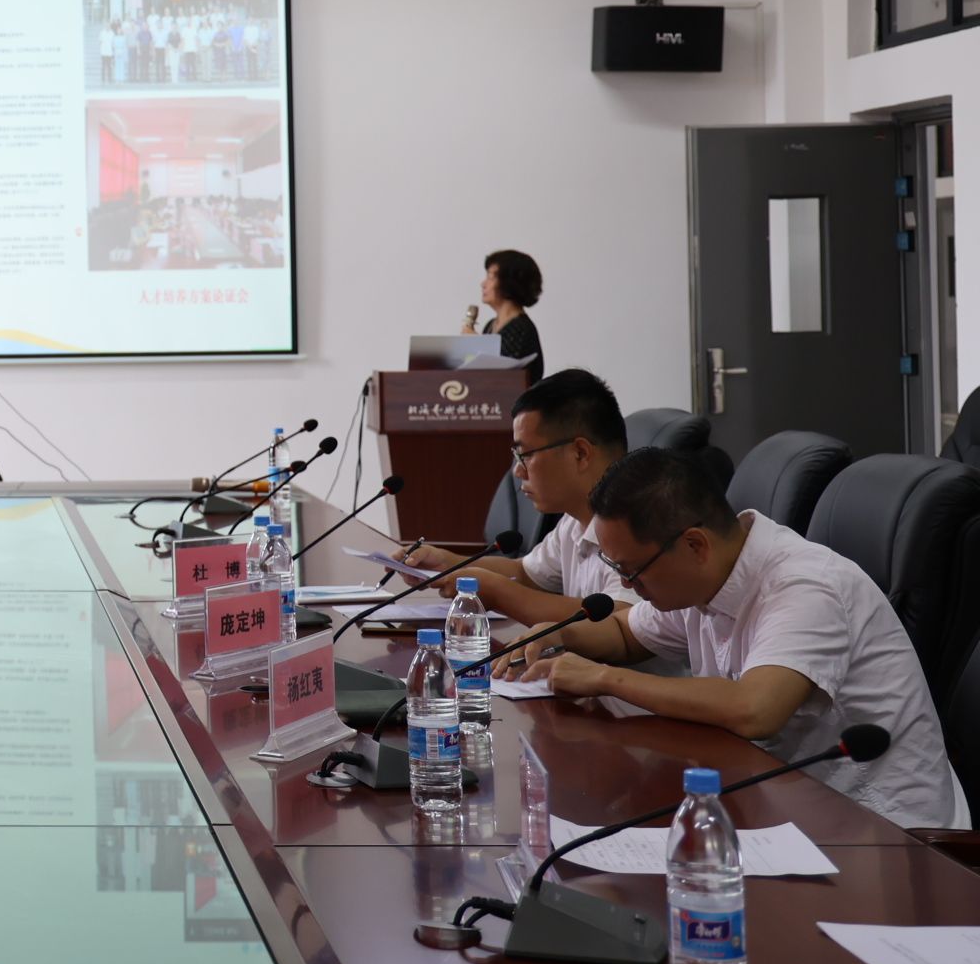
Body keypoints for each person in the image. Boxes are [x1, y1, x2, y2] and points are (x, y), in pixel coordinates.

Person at [529, 449, 969, 831]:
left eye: (632, 571)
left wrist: (605, 679)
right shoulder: (700, 577)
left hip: (886, 834)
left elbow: (756, 709)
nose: (627, 585)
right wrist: (561, 633)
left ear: (695, 545)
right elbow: (626, 633)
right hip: (785, 804)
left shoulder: (805, 586)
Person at [396, 369, 648, 637]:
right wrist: (447, 563)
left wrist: (498, 592)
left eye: (525, 454)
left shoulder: (639, 524)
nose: (517, 471)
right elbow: (526, 573)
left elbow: (620, 623)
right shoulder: (574, 521)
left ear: (580, 453)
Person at [462, 247, 545, 384]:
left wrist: (478, 345)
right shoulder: (490, 325)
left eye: (490, 277)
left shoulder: (521, 328)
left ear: (509, 282)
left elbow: (505, 377)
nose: (483, 284)